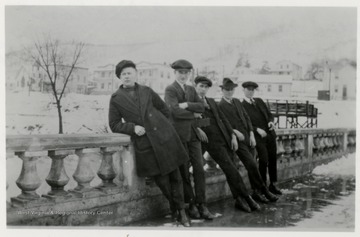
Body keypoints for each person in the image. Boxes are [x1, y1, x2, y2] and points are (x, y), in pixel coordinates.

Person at [108, 60, 191, 227]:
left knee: (176, 176)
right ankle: (176, 208)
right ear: (119, 77)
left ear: (136, 74)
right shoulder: (116, 98)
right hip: (145, 143)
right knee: (161, 180)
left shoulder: (146, 90)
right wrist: (133, 127)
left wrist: (163, 128)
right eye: (123, 74)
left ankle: (181, 212)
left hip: (165, 139)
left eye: (129, 72)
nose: (127, 76)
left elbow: (164, 109)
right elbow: (114, 124)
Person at [193, 76, 260, 212]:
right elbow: (188, 119)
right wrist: (197, 127)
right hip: (210, 142)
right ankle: (246, 197)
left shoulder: (211, 101)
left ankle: (239, 199)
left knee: (232, 169)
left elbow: (222, 119)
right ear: (195, 87)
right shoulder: (191, 102)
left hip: (223, 138)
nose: (203, 89)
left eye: (206, 87)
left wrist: (232, 135)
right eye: (201, 86)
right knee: (230, 168)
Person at [164, 59, 215, 220]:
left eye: (186, 73)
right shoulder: (170, 89)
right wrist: (192, 114)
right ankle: (191, 203)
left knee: (199, 169)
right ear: (175, 73)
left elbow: (202, 107)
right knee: (184, 172)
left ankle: (202, 203)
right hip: (179, 136)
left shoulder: (191, 89)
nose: (183, 75)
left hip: (193, 136)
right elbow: (173, 112)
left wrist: (186, 104)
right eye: (180, 72)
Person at [218, 78, 279, 203]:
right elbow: (223, 123)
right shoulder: (220, 106)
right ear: (222, 90)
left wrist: (251, 133)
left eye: (231, 90)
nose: (229, 92)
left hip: (248, 137)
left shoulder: (236, 101)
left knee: (253, 166)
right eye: (227, 90)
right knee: (252, 164)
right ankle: (263, 190)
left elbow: (246, 118)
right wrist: (234, 132)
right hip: (238, 139)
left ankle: (257, 191)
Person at [241, 81, 282, 195]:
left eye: (252, 90)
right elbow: (244, 123)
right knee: (263, 160)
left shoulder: (259, 101)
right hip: (258, 137)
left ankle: (273, 184)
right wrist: (256, 129)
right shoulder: (241, 105)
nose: (250, 92)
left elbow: (269, 114)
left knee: (273, 159)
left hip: (269, 134)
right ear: (243, 90)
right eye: (248, 89)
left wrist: (271, 122)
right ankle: (262, 186)